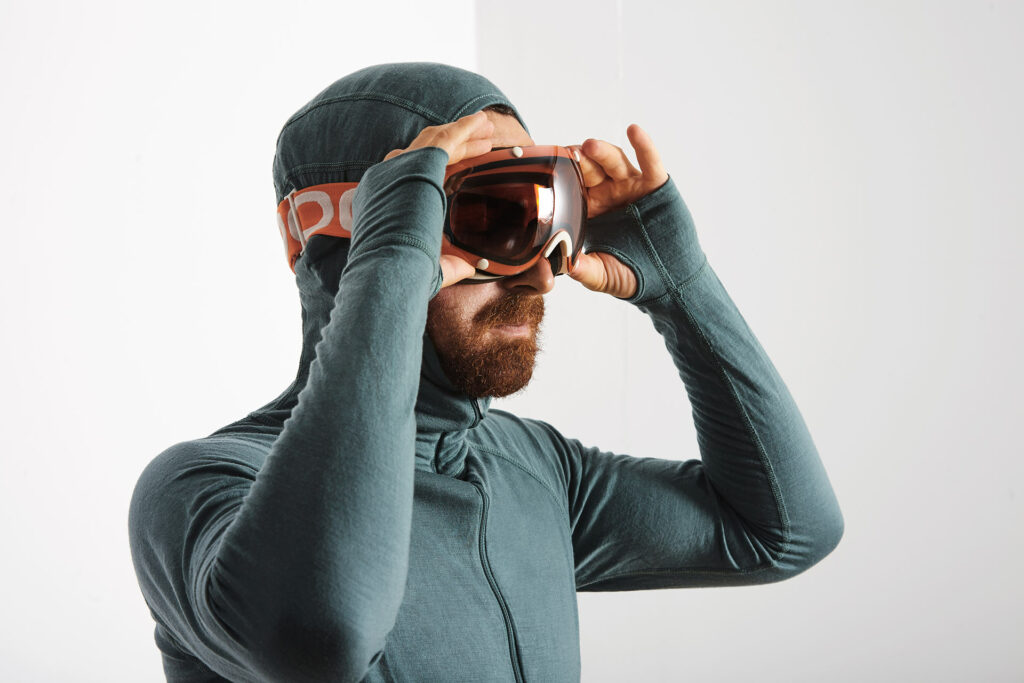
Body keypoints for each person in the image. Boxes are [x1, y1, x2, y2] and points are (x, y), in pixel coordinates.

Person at [128, 62, 843, 682]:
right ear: (361, 237)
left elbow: (784, 531)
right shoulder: (203, 490)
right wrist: (394, 263)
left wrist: (683, 286)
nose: (540, 274)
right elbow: (323, 633)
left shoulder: (535, 470)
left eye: (546, 215)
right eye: (488, 215)